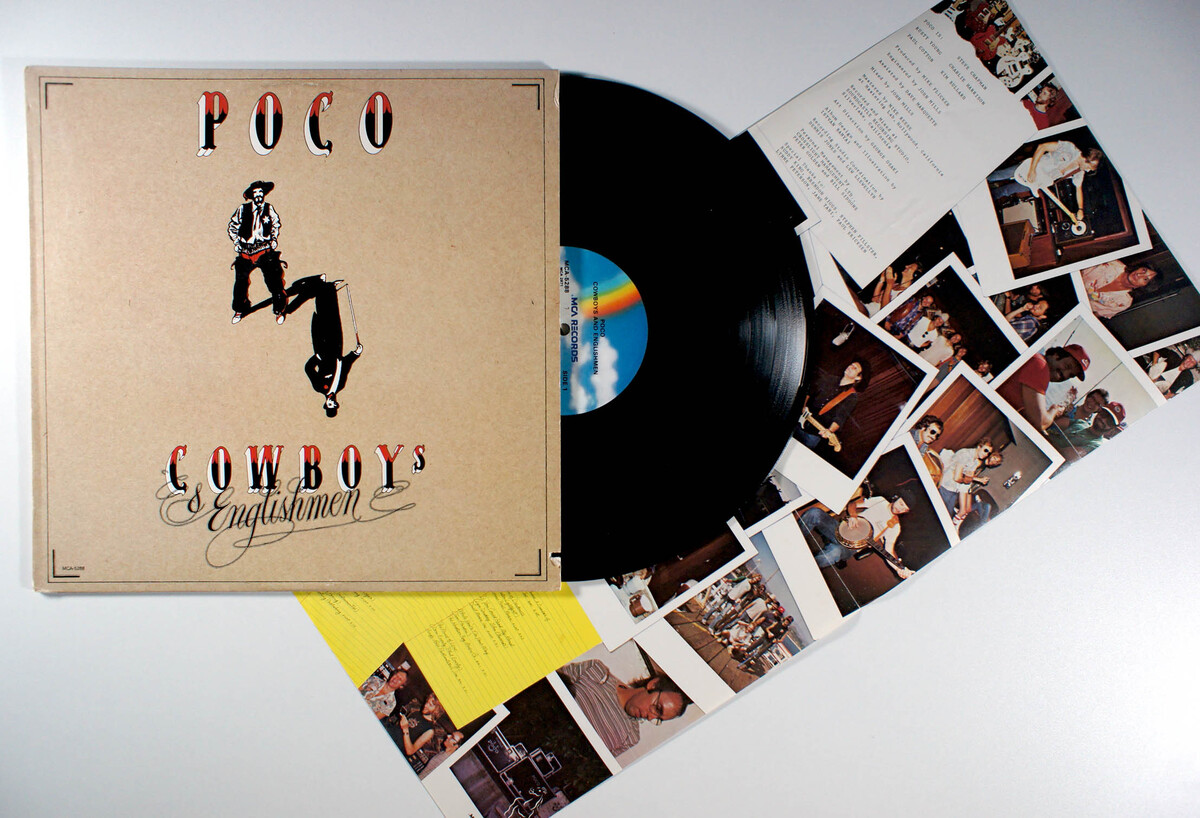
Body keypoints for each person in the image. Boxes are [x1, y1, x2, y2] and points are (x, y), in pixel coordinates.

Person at [557, 660, 691, 757]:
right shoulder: (597, 672)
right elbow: (551, 681)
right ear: (653, 685)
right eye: (657, 708)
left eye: (658, 719)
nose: (650, 717)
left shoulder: (630, 737)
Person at [287, 275, 363, 417]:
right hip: (336, 346)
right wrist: (355, 354)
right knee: (334, 318)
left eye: (330, 405)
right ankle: (330, 289)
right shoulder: (340, 386)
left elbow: (308, 369)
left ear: (326, 404)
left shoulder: (319, 387)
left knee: (322, 318)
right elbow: (345, 365)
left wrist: (317, 357)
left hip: (322, 347)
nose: (332, 402)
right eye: (334, 404)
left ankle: (322, 289)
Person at [798, 493, 915, 580]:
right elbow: (852, 504)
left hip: (851, 547)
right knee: (814, 513)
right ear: (896, 498)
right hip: (842, 529)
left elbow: (889, 550)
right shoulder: (880, 501)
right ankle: (794, 540)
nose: (900, 509)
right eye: (901, 504)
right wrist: (853, 516)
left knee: (833, 553)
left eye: (904, 509)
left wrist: (899, 568)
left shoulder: (895, 527)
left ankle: (803, 570)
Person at [990, 141, 1103, 222]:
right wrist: (1032, 170)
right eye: (1089, 168)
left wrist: (1080, 209)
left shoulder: (1078, 172)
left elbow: (1078, 189)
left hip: (1036, 183)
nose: (1088, 171)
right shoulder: (1069, 147)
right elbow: (1042, 147)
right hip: (1029, 168)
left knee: (1006, 191)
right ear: (1086, 160)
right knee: (997, 175)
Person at [228, 180, 288, 324]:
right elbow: (233, 226)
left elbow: (276, 224)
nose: (259, 195)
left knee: (274, 281)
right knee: (240, 283)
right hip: (246, 251)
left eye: (261, 192)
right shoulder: (243, 209)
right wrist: (236, 242)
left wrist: (273, 239)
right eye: (256, 193)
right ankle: (240, 309)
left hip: (264, 250)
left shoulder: (269, 208)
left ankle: (279, 310)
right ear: (252, 195)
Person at [996, 343, 1090, 432]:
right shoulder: (1041, 367)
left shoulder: (1037, 360)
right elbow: (1041, 422)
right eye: (1067, 366)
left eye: (1070, 375)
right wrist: (1054, 410)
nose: (1065, 375)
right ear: (1057, 355)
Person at [795, 360, 872, 452]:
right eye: (851, 364)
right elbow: (809, 391)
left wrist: (829, 431)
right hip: (797, 420)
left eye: (854, 368)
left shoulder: (852, 397)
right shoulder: (829, 379)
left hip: (813, 434)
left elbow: (840, 419)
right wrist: (803, 406)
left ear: (858, 377)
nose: (850, 367)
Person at [936, 438, 996, 521]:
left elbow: (968, 480)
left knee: (947, 517)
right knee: (942, 516)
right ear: (979, 446)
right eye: (985, 450)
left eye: (988, 453)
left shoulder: (975, 462)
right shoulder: (965, 454)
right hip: (945, 486)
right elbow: (957, 478)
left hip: (954, 490)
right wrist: (966, 479)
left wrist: (966, 479)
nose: (986, 454)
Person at [1081, 261, 1159, 319]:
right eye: (1144, 270)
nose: (1139, 275)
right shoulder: (1112, 264)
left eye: (1145, 279)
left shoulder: (1124, 302)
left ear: (1145, 286)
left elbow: (1094, 316)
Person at [1053, 402, 1127, 460]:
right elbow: (1053, 424)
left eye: (1109, 421)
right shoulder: (1080, 422)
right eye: (1104, 414)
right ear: (1099, 411)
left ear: (1113, 428)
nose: (1103, 420)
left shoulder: (1096, 446)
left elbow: (1066, 455)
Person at [394, 693, 446, 773]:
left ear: (437, 710)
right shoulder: (416, 713)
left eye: (430, 705)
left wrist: (405, 729)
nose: (425, 705)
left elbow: (410, 751)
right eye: (427, 702)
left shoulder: (430, 730)